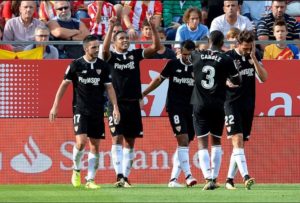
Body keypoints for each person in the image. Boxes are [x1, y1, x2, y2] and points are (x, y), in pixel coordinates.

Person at [49, 35, 120, 189]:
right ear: (86, 48)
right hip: (80, 109)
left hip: (98, 110)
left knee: (95, 145)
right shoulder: (76, 65)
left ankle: (90, 180)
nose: (97, 50)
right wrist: (55, 106)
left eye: (98, 47)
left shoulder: (103, 66)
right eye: (94, 47)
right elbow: (63, 85)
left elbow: (109, 88)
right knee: (81, 143)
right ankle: (76, 169)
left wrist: (115, 107)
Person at [102, 14, 160, 187]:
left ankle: (126, 177)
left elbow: (157, 47)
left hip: (133, 103)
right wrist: (111, 27)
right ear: (115, 42)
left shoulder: (135, 55)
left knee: (130, 141)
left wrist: (152, 26)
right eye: (122, 38)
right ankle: (119, 175)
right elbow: (104, 51)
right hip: (115, 105)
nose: (126, 40)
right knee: (116, 138)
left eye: (127, 38)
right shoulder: (110, 56)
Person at [142, 40, 197, 188]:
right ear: (180, 51)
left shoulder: (198, 66)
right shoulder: (173, 64)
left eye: (190, 54)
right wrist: (144, 93)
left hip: (191, 109)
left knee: (184, 144)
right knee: (183, 140)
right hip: (175, 107)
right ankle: (188, 175)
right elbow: (159, 79)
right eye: (185, 54)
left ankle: (173, 179)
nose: (187, 57)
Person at [190, 30, 241, 190]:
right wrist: (226, 77)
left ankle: (207, 178)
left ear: (209, 41)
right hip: (218, 104)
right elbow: (237, 80)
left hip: (199, 104)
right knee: (217, 141)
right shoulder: (226, 59)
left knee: (202, 142)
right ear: (222, 42)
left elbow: (189, 57)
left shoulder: (197, 55)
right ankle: (214, 178)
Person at [224, 30, 268, 190]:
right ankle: (246, 176)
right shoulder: (228, 57)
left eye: (250, 48)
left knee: (240, 145)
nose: (247, 50)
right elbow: (216, 80)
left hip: (248, 105)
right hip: (231, 103)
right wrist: (225, 83)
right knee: (237, 139)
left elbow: (264, 78)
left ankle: (229, 180)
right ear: (238, 44)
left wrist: (254, 58)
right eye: (245, 48)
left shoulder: (253, 55)